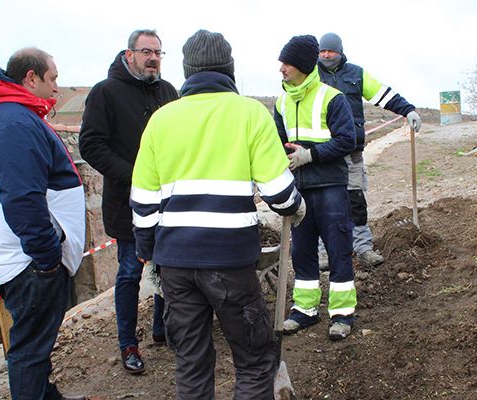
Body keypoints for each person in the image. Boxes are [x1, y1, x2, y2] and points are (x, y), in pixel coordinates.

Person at [131, 29, 306, 399]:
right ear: (229, 68)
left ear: (187, 70)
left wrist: (148, 250)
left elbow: (143, 202)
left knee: (191, 363)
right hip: (229, 261)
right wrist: (295, 206)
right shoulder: (249, 113)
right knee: (255, 361)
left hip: (175, 262)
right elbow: (278, 192)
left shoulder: (161, 120)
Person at [0, 48, 87, 400]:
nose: (57, 89)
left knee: (37, 343)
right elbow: (22, 197)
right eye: (52, 79)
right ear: (30, 78)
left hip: (28, 257)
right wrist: (47, 257)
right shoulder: (14, 123)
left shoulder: (13, 116)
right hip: (30, 261)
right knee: (30, 349)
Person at [79, 29, 178, 375]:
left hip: (167, 200)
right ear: (129, 54)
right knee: (131, 272)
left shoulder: (168, 91)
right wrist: (136, 173)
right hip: (127, 202)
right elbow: (90, 145)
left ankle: (163, 329)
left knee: (166, 266)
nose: (153, 58)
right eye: (147, 51)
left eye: (159, 53)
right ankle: (128, 344)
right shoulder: (105, 93)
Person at [273, 35, 357, 341]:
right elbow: (277, 143)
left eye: (287, 63)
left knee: (338, 251)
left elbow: (348, 140)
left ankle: (343, 315)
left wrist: (309, 155)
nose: (282, 68)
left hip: (330, 188)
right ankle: (305, 311)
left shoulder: (332, 98)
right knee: (303, 252)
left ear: (304, 66)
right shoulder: (281, 102)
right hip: (299, 192)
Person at [316, 32, 421, 268]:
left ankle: (363, 248)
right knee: (323, 203)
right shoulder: (311, 75)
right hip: (323, 154)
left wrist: (408, 110)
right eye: (322, 51)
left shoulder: (356, 74)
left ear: (340, 51)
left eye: (330, 51)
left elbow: (384, 95)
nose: (325, 55)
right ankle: (323, 253)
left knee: (355, 200)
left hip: (351, 152)